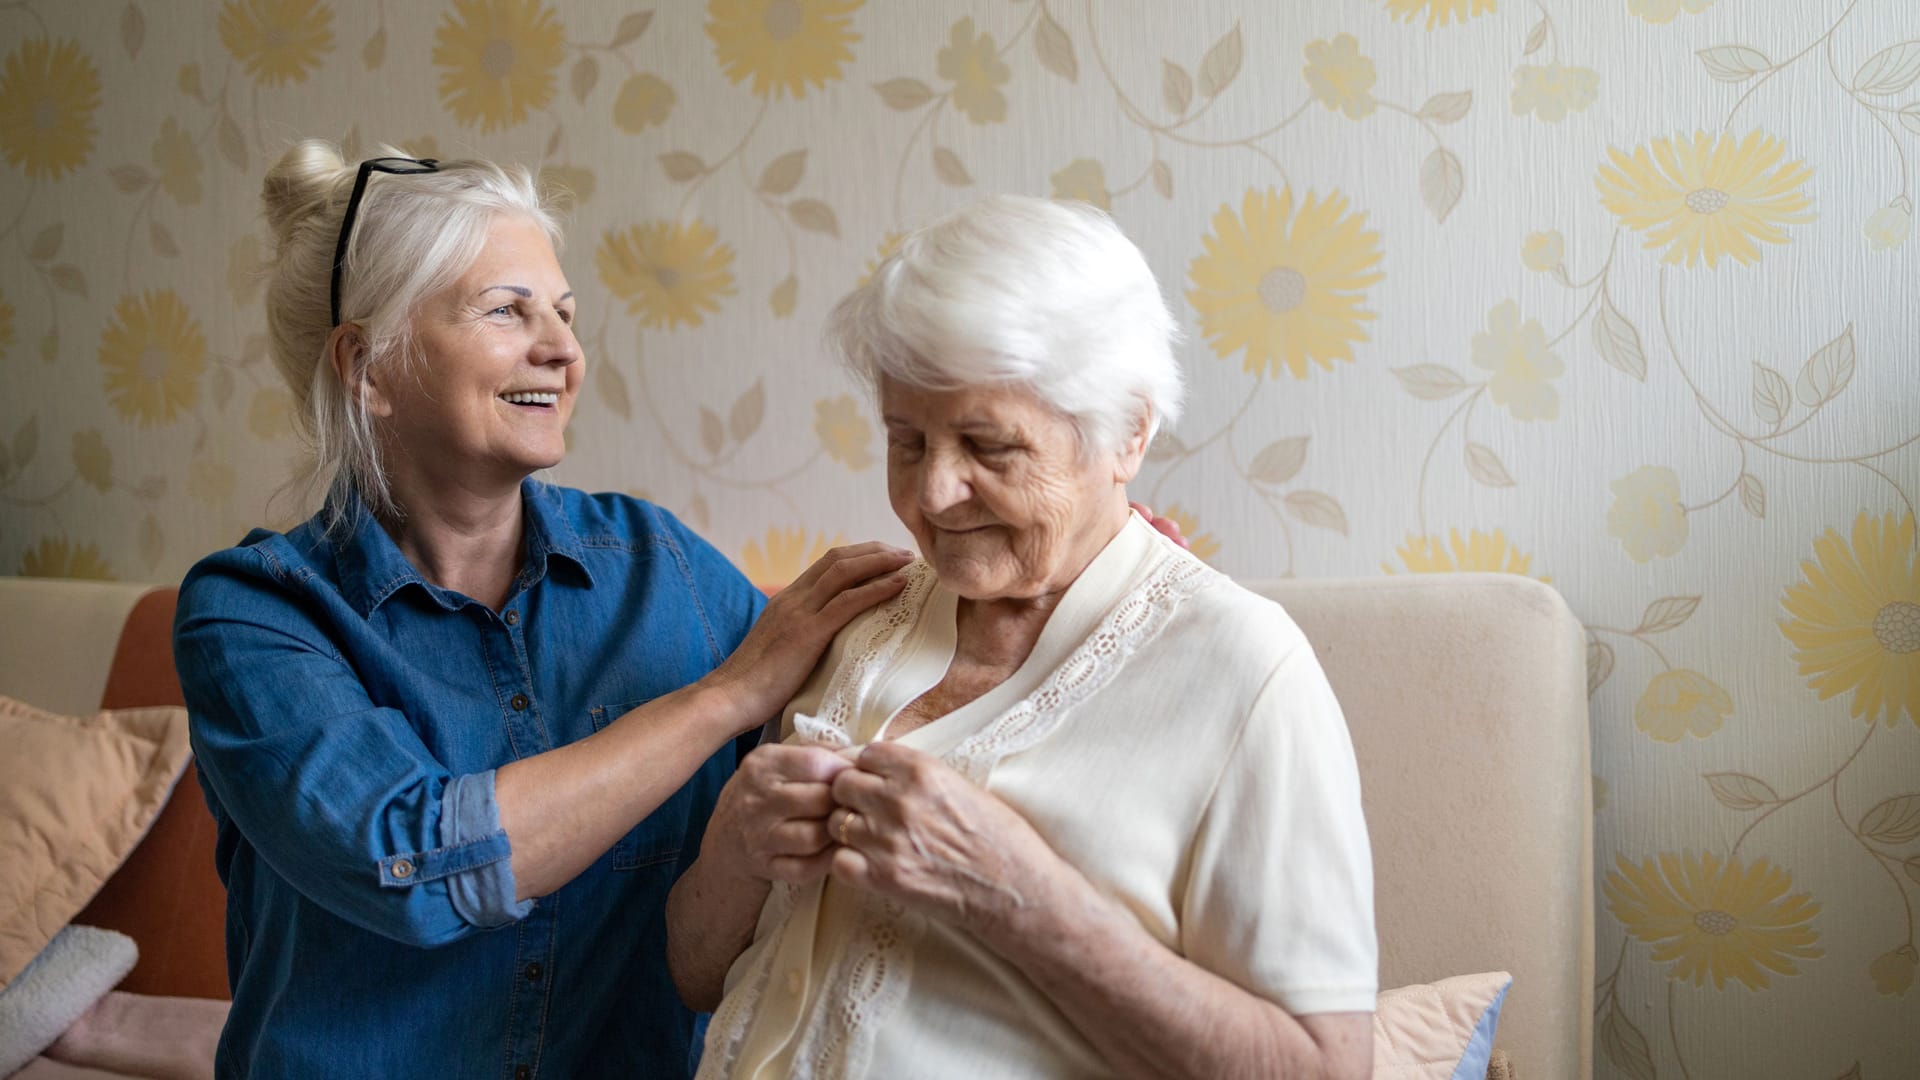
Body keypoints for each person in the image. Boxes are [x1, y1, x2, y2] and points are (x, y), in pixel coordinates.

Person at [171, 141, 912, 1077]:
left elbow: (887, 667)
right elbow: (415, 864)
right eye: (504, 311)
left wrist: (1106, 575)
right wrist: (719, 700)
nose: (562, 350)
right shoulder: (253, 614)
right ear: (368, 366)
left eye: (563, 313)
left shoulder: (659, 565)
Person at [667, 195, 1378, 1079]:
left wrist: (1020, 899)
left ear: (1126, 434)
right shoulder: (854, 616)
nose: (933, 495)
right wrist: (735, 842)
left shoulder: (1244, 670)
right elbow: (697, 978)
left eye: (989, 447)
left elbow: (1327, 1067)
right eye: (906, 441)